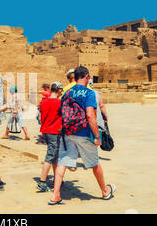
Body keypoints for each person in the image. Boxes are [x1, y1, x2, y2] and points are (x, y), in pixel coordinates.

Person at [49, 66, 116, 205]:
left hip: (68, 133)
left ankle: (55, 195)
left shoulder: (67, 93)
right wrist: (97, 136)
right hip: (84, 133)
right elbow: (90, 115)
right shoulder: (89, 93)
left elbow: (61, 112)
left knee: (63, 162)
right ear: (86, 77)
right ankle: (105, 191)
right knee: (94, 163)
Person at [37, 81, 63, 192]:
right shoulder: (59, 103)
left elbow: (40, 118)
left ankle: (57, 178)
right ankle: (42, 181)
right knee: (50, 156)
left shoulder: (43, 102)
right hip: (54, 132)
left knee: (54, 156)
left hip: (45, 131)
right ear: (59, 90)